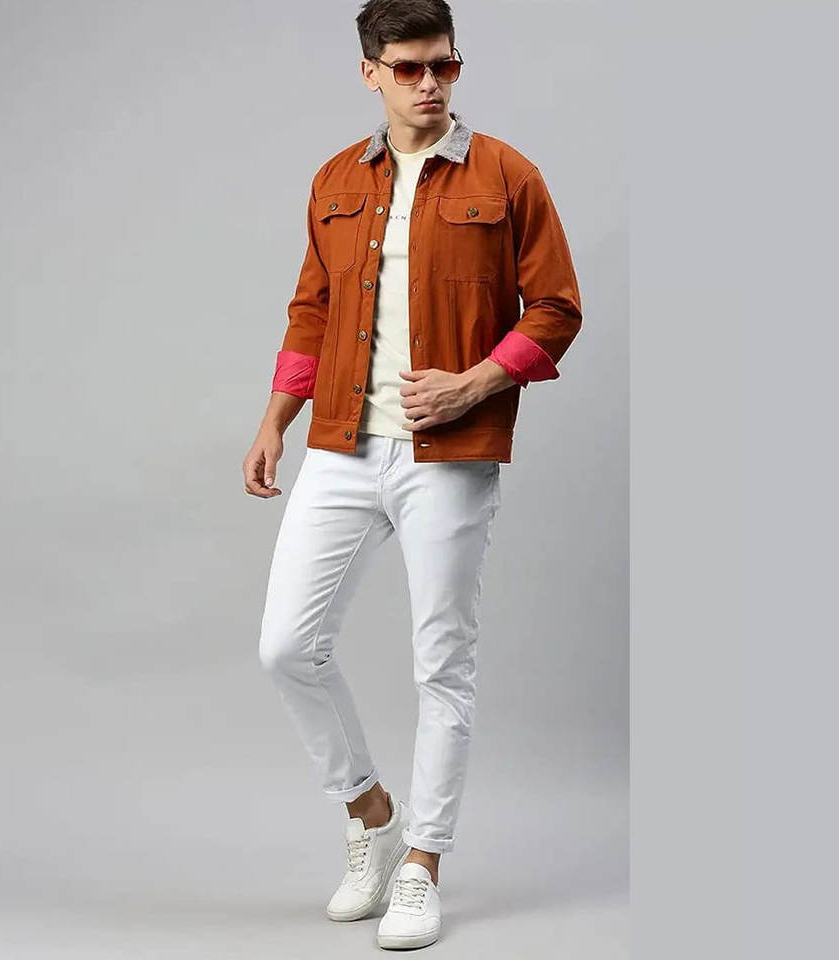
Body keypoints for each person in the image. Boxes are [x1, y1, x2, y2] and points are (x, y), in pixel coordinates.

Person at [243, 0, 582, 949]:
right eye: (408, 68)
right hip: (342, 444)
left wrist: (475, 383)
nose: (430, 83)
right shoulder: (334, 180)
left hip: (451, 454)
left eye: (444, 64)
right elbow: (312, 310)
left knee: (443, 663)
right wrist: (276, 419)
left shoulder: (507, 174)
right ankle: (372, 816)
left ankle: (424, 865)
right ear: (371, 73)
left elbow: (556, 307)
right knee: (286, 646)